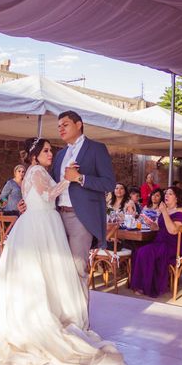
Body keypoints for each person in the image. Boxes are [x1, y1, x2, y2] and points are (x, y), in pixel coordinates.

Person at [0, 137, 124, 365]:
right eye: (46, 150)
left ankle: (59, 314)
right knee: (41, 273)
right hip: (41, 224)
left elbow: (38, 196)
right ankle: (40, 319)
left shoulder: (36, 170)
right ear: (35, 155)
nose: (51, 153)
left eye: (50, 149)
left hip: (42, 221)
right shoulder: (36, 170)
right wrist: (68, 180)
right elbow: (48, 196)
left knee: (47, 274)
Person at [52, 110, 117, 312]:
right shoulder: (60, 154)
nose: (61, 129)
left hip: (81, 218)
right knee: (59, 269)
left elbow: (109, 183)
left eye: (65, 124)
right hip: (56, 216)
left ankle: (80, 320)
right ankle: (62, 316)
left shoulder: (96, 149)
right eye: (59, 126)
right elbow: (52, 184)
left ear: (79, 124)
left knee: (77, 268)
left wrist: (80, 178)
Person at [131, 186, 182, 297]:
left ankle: (146, 286)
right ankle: (140, 284)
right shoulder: (166, 210)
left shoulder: (181, 211)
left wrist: (164, 212)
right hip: (161, 242)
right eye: (166, 193)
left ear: (177, 198)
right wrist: (151, 224)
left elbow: (173, 230)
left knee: (145, 252)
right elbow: (159, 228)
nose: (166, 196)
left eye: (170, 194)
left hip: (174, 245)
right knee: (137, 250)